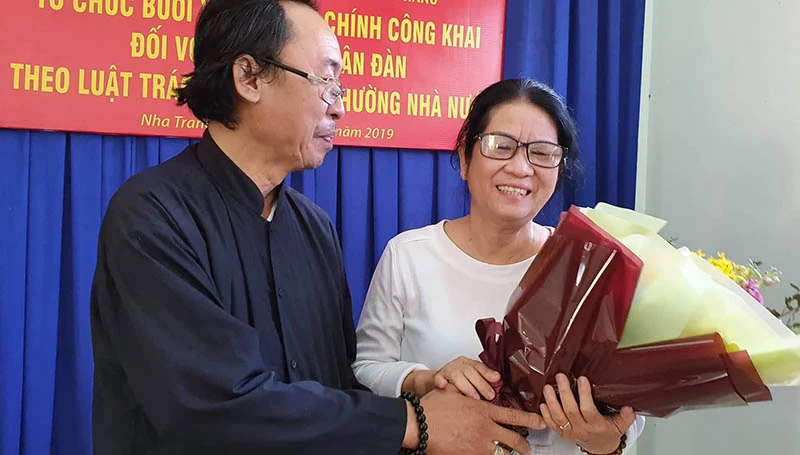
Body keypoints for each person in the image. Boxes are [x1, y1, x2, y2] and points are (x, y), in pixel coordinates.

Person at [90, 1, 547, 454]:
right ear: (249, 77)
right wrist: (416, 422)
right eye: (325, 81)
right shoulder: (155, 216)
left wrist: (423, 385)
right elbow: (215, 406)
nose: (339, 107)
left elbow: (336, 390)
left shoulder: (312, 228)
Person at [353, 79, 646, 455]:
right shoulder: (409, 256)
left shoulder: (586, 268)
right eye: (500, 146)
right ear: (465, 159)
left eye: (542, 153)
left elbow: (630, 408)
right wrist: (426, 379)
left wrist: (605, 439)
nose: (521, 168)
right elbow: (366, 370)